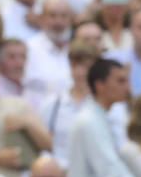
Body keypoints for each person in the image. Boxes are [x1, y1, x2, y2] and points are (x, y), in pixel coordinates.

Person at [38, 39, 99, 168]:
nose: (80, 73)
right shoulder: (52, 104)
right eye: (75, 66)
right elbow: (44, 145)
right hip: (58, 174)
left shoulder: (106, 105)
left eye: (86, 66)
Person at [22, 0, 73, 112]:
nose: (58, 22)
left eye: (64, 16)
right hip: (36, 118)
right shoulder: (28, 49)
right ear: (41, 18)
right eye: (52, 15)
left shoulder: (76, 50)